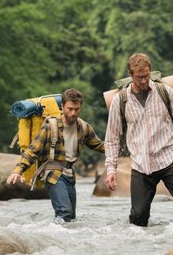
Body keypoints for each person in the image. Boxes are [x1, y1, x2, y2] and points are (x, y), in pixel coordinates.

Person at [104, 53, 173, 226]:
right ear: (130, 74)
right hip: (141, 165)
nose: (143, 81)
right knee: (138, 217)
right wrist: (111, 169)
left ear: (151, 72)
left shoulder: (165, 92)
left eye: (147, 76)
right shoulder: (120, 101)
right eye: (139, 77)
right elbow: (112, 138)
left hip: (169, 158)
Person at [6, 88, 105, 223]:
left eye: (76, 109)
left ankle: (60, 238)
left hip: (70, 174)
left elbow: (98, 145)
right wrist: (18, 170)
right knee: (64, 212)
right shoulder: (50, 127)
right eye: (70, 109)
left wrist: (119, 147)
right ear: (63, 107)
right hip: (53, 173)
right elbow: (32, 150)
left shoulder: (84, 127)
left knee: (71, 217)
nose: (73, 113)